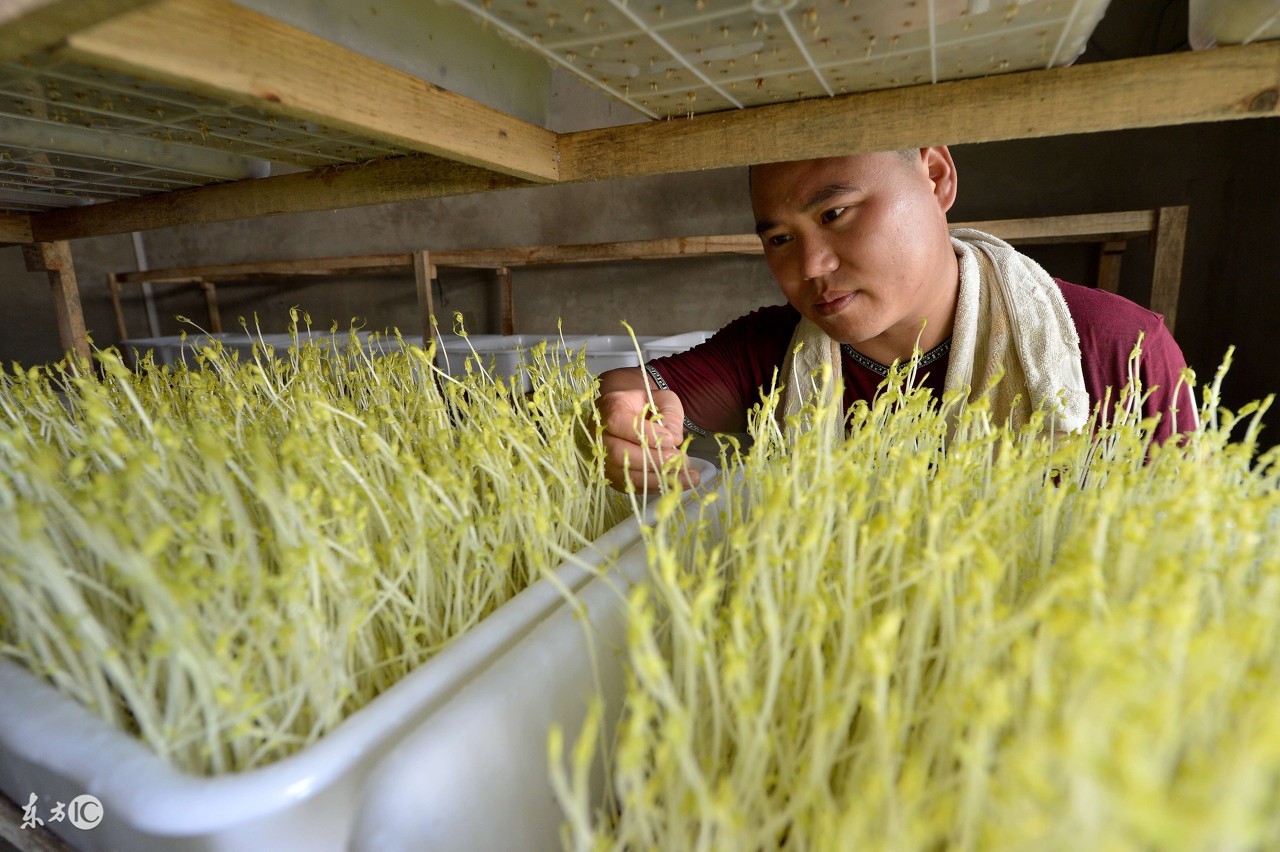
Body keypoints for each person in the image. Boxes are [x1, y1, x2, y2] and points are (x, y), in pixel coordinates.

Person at [596, 147, 1195, 490]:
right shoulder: (770, 352)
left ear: (935, 177)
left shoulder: (1115, 348)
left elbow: (1180, 562)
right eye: (779, 238)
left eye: (835, 213)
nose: (811, 264)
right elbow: (645, 389)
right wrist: (622, 402)